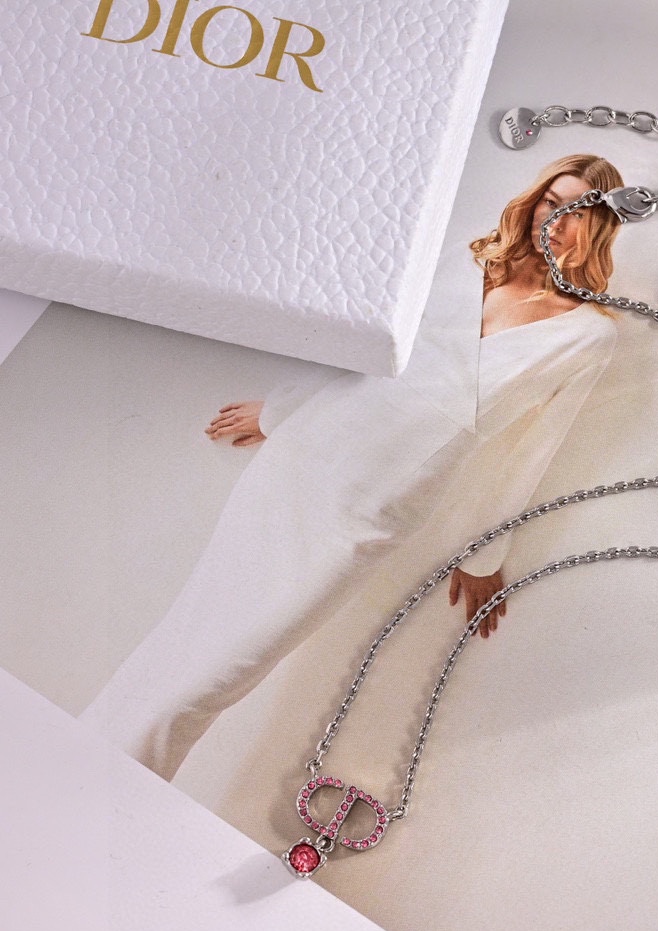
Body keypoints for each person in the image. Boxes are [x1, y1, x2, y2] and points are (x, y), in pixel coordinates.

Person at [82, 154, 625, 780]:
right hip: (306, 459)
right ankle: (86, 762)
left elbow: (531, 450)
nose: (555, 219)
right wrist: (280, 410)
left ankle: (112, 783)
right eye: (550, 200)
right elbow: (363, 349)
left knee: (225, 672)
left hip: (374, 507)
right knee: (184, 633)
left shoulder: (588, 336)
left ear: (601, 226)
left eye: (576, 210)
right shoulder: (464, 261)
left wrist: (484, 556)